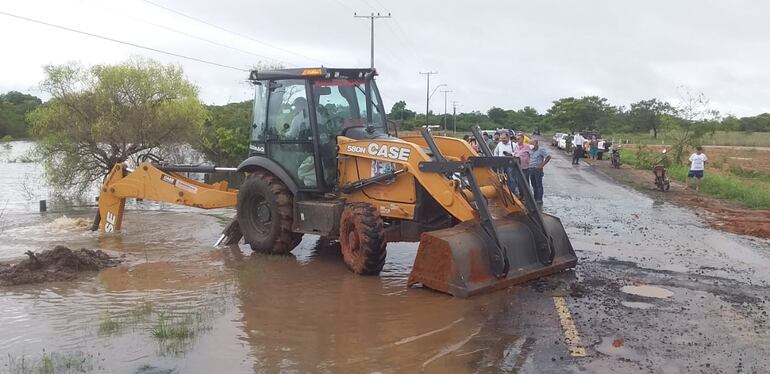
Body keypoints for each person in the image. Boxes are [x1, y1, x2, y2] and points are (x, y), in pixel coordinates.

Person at [529, 140, 551, 205]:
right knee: (533, 184)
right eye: (530, 144)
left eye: (533, 143)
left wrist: (541, 165)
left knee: (539, 184)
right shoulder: (530, 150)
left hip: (537, 169)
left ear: (536, 143)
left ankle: (539, 199)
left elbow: (548, 157)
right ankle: (535, 197)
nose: (531, 145)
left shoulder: (541, 150)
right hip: (531, 168)